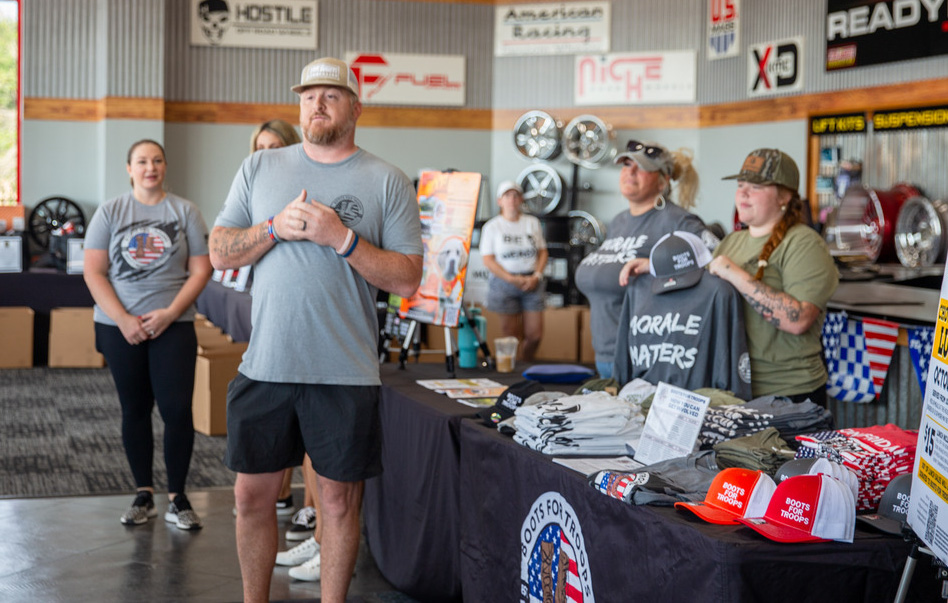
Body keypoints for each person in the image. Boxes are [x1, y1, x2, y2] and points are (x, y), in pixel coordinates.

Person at [208, 57, 423, 603]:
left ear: (355, 106)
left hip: (344, 371)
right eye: (308, 96)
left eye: (331, 95)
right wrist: (272, 228)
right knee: (252, 498)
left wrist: (342, 239)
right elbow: (217, 249)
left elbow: (408, 277)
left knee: (335, 504)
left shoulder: (387, 180)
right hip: (266, 365)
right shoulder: (260, 169)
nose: (317, 104)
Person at [83, 139, 213, 530]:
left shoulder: (185, 210)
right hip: (118, 326)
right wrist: (123, 319)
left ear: (165, 166)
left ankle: (178, 497)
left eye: (157, 160)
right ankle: (144, 495)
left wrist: (172, 313)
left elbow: (201, 269)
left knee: (176, 411)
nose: (150, 167)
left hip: (174, 325)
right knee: (135, 409)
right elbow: (93, 272)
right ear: (129, 168)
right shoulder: (111, 211)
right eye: (141, 161)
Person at [574, 140, 719, 379]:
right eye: (626, 165)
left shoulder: (677, 221)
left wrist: (655, 265)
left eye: (641, 167)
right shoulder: (619, 222)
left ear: (663, 181)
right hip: (606, 358)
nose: (630, 172)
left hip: (646, 361)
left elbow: (719, 258)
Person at [708, 148, 839, 405]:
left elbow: (798, 319)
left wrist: (733, 273)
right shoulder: (730, 243)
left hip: (789, 393)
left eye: (756, 186)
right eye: (741, 184)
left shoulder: (803, 243)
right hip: (732, 387)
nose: (743, 192)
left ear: (785, 196)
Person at [248, 118, 308, 522]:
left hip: (310, 321)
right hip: (270, 318)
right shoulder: (251, 186)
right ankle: (283, 493)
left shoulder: (304, 188)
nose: (265, 155)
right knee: (276, 427)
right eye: (259, 147)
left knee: (311, 431)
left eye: (274, 147)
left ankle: (313, 511)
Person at [480, 180, 548, 361]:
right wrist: (510, 278)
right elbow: (488, 259)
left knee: (535, 334)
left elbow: (542, 252)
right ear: (499, 201)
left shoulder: (532, 223)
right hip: (504, 282)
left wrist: (537, 275)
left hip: (531, 280)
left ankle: (525, 362)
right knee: (510, 335)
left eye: (515, 195)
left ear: (521, 200)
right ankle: (514, 370)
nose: (512, 199)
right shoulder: (492, 227)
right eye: (507, 195)